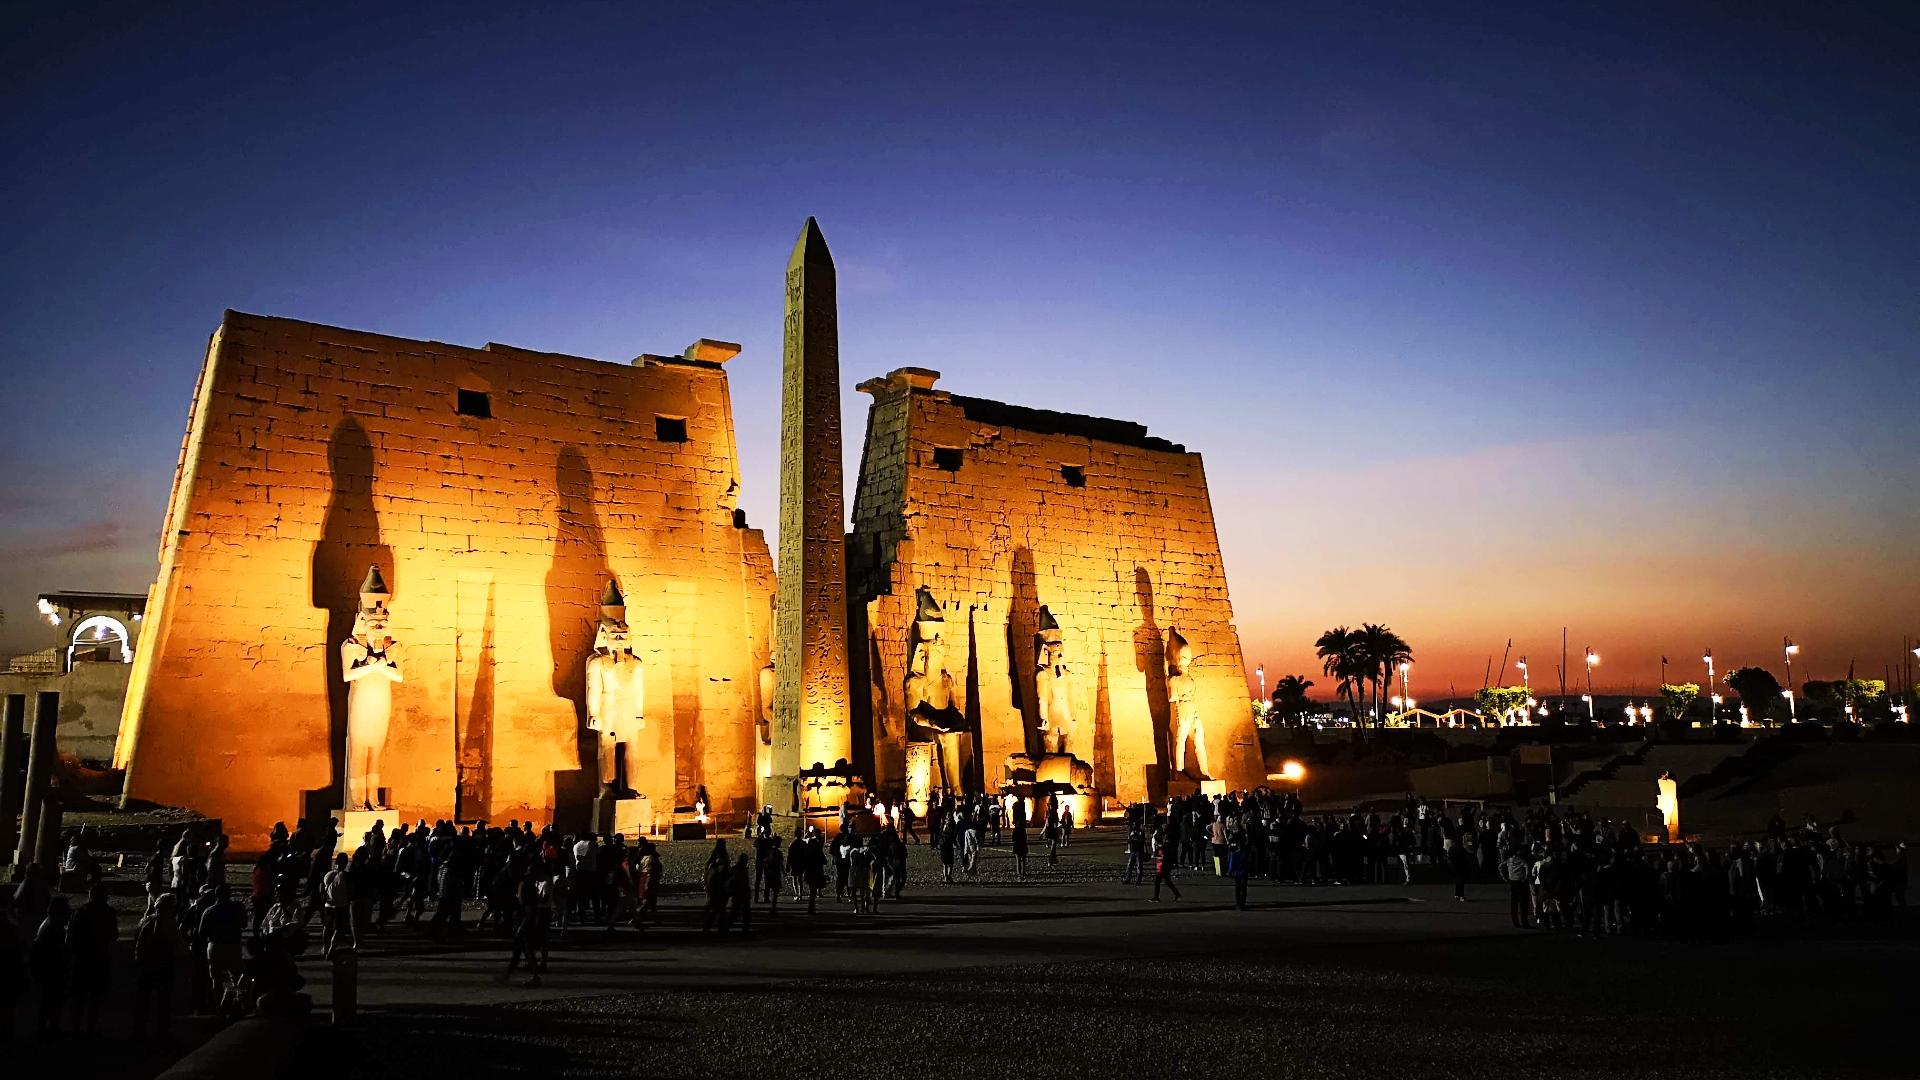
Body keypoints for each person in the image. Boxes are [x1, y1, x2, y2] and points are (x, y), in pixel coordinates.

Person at [132, 892, 190, 1038]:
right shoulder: (168, 924)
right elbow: (179, 946)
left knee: (143, 998)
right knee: (163, 999)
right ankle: (162, 1030)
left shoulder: (145, 921)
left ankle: (140, 1028)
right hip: (163, 963)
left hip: (145, 962)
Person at [65, 883, 117, 1034]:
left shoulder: (80, 912)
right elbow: (113, 935)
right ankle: (90, 1027)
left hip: (82, 957)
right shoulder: (108, 913)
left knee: (79, 996)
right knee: (96, 996)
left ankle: (76, 1027)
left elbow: (71, 936)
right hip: (99, 957)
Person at [199, 884, 249, 1015]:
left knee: (216, 978)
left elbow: (201, 931)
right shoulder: (237, 908)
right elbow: (244, 924)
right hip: (233, 944)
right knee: (237, 975)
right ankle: (239, 1003)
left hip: (215, 945)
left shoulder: (209, 911)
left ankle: (219, 1005)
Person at [30, 895, 71, 1037]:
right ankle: (48, 1029)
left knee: (49, 1001)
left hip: (49, 971)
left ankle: (46, 1028)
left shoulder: (48, 926)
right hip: (52, 971)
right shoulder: (52, 930)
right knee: (51, 1000)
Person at [1150, 834, 1182, 902]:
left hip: (1162, 867)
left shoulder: (1163, 848)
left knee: (1157, 882)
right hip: (1166, 866)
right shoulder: (1169, 846)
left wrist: (1156, 857)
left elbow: (1162, 857)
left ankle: (1156, 897)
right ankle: (1177, 895)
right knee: (1168, 882)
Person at [1229, 841, 1250, 910]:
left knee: (1237, 888)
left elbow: (1231, 864)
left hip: (1237, 873)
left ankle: (1238, 904)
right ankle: (1242, 904)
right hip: (1244, 872)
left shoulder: (1234, 854)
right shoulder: (1245, 854)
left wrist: (1230, 872)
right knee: (1243, 889)